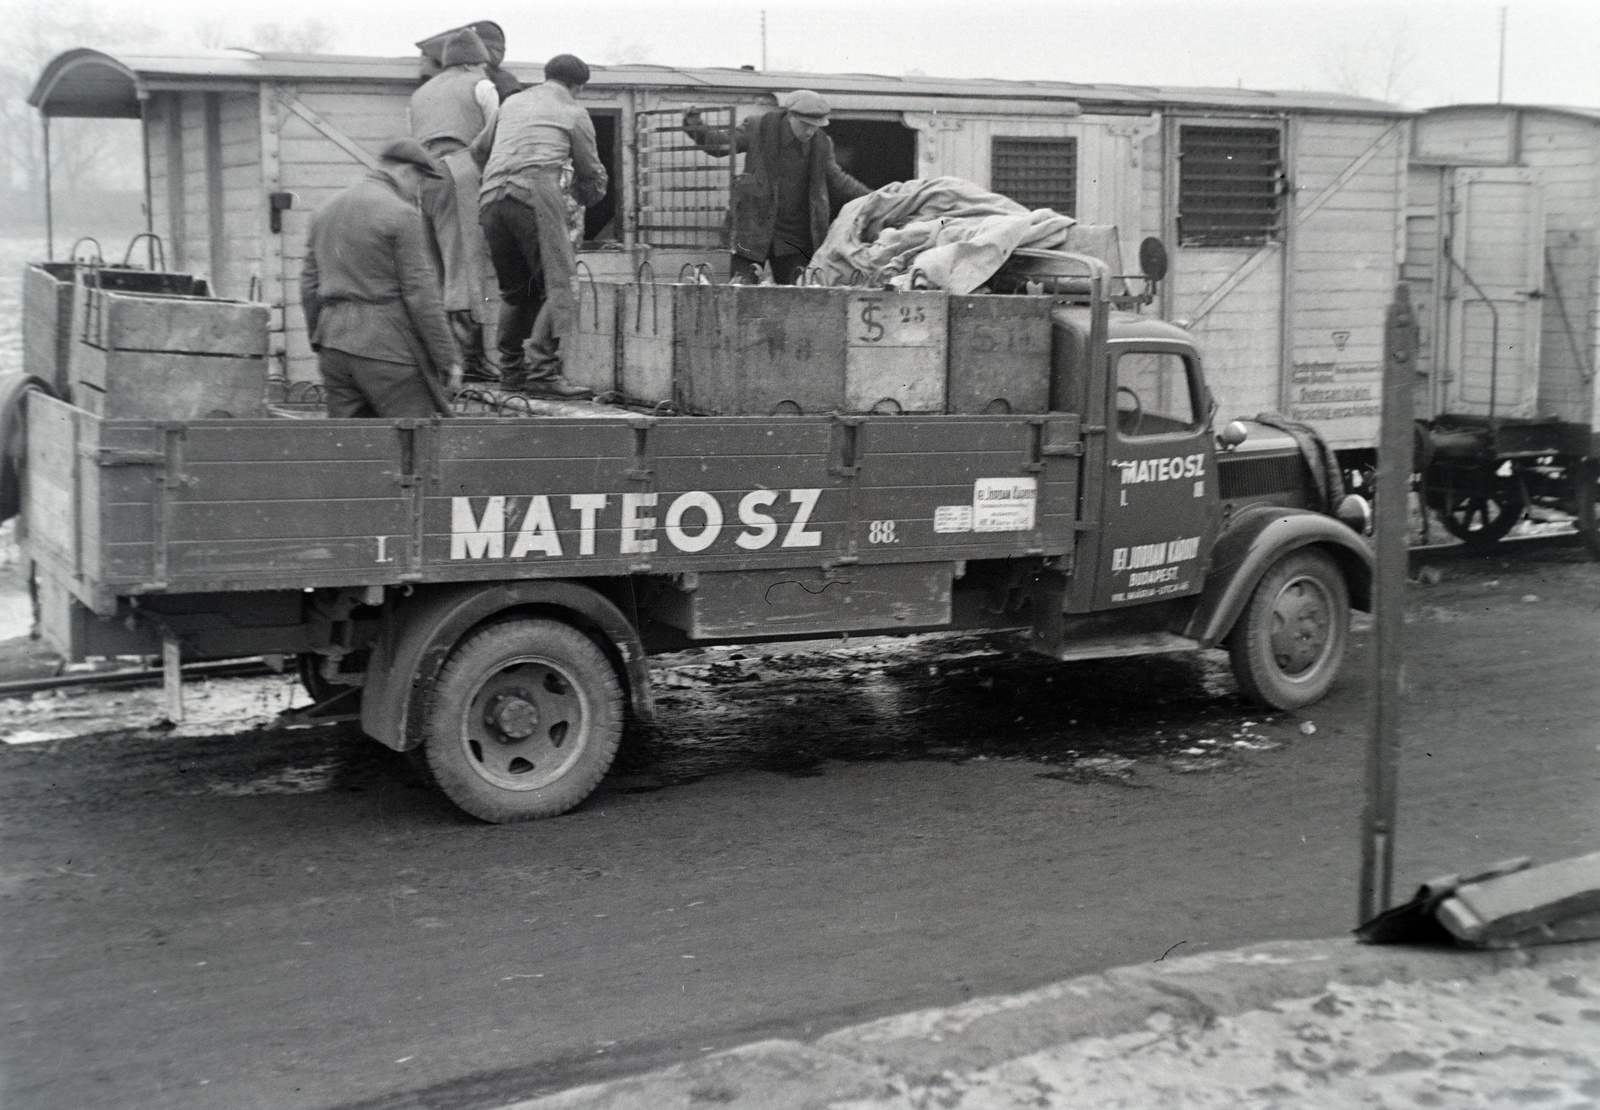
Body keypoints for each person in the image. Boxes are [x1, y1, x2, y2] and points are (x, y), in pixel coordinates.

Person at [471, 54, 607, 397]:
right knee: (560, 285)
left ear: (547, 75)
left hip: (490, 199)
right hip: (534, 194)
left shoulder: (512, 102)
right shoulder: (574, 112)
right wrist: (583, 196)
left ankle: (512, 374)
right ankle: (543, 373)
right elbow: (589, 171)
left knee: (516, 291)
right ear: (577, 86)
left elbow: (478, 149)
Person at [300, 140, 461, 418]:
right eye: (420, 182)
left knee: (354, 448)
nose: (417, 192)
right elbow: (421, 295)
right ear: (408, 172)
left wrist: (320, 338)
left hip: (334, 349)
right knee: (416, 445)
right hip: (388, 352)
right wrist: (448, 360)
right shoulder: (401, 215)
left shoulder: (324, 211)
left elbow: (308, 286)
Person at [685, 90, 871, 284]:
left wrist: (875, 197)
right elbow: (722, 145)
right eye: (805, 125)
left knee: (797, 295)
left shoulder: (821, 144)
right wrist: (695, 125)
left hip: (794, 239)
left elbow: (839, 181)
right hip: (752, 231)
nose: (809, 132)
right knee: (741, 292)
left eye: (815, 127)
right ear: (790, 116)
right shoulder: (758, 128)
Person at [409, 28, 498, 381]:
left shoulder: (420, 94)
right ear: (477, 60)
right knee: (464, 268)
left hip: (421, 177)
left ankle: (442, 359)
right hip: (460, 168)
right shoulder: (481, 85)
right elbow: (497, 134)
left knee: (437, 269)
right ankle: (470, 362)